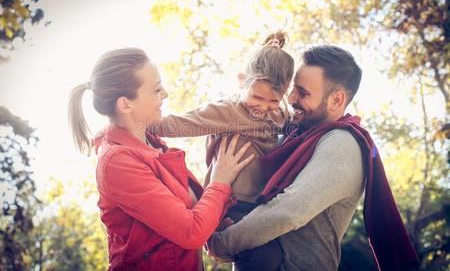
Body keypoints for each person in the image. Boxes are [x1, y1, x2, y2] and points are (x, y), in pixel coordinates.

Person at [207, 45, 420, 271]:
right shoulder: (295, 135)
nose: (290, 98)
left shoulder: (342, 143)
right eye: (293, 89)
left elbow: (289, 211)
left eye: (303, 92)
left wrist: (221, 243)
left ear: (337, 100)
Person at [67, 48, 255, 271]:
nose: (165, 94)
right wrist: (220, 181)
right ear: (125, 104)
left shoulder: (153, 144)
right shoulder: (117, 164)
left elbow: (186, 217)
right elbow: (190, 232)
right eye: (156, 89)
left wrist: (216, 225)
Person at [150, 31, 295, 270]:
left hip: (261, 205)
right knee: (264, 257)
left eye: (274, 101)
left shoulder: (282, 117)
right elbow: (184, 122)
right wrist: (141, 122)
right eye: (257, 97)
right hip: (231, 204)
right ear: (241, 80)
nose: (264, 107)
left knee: (277, 255)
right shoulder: (228, 111)